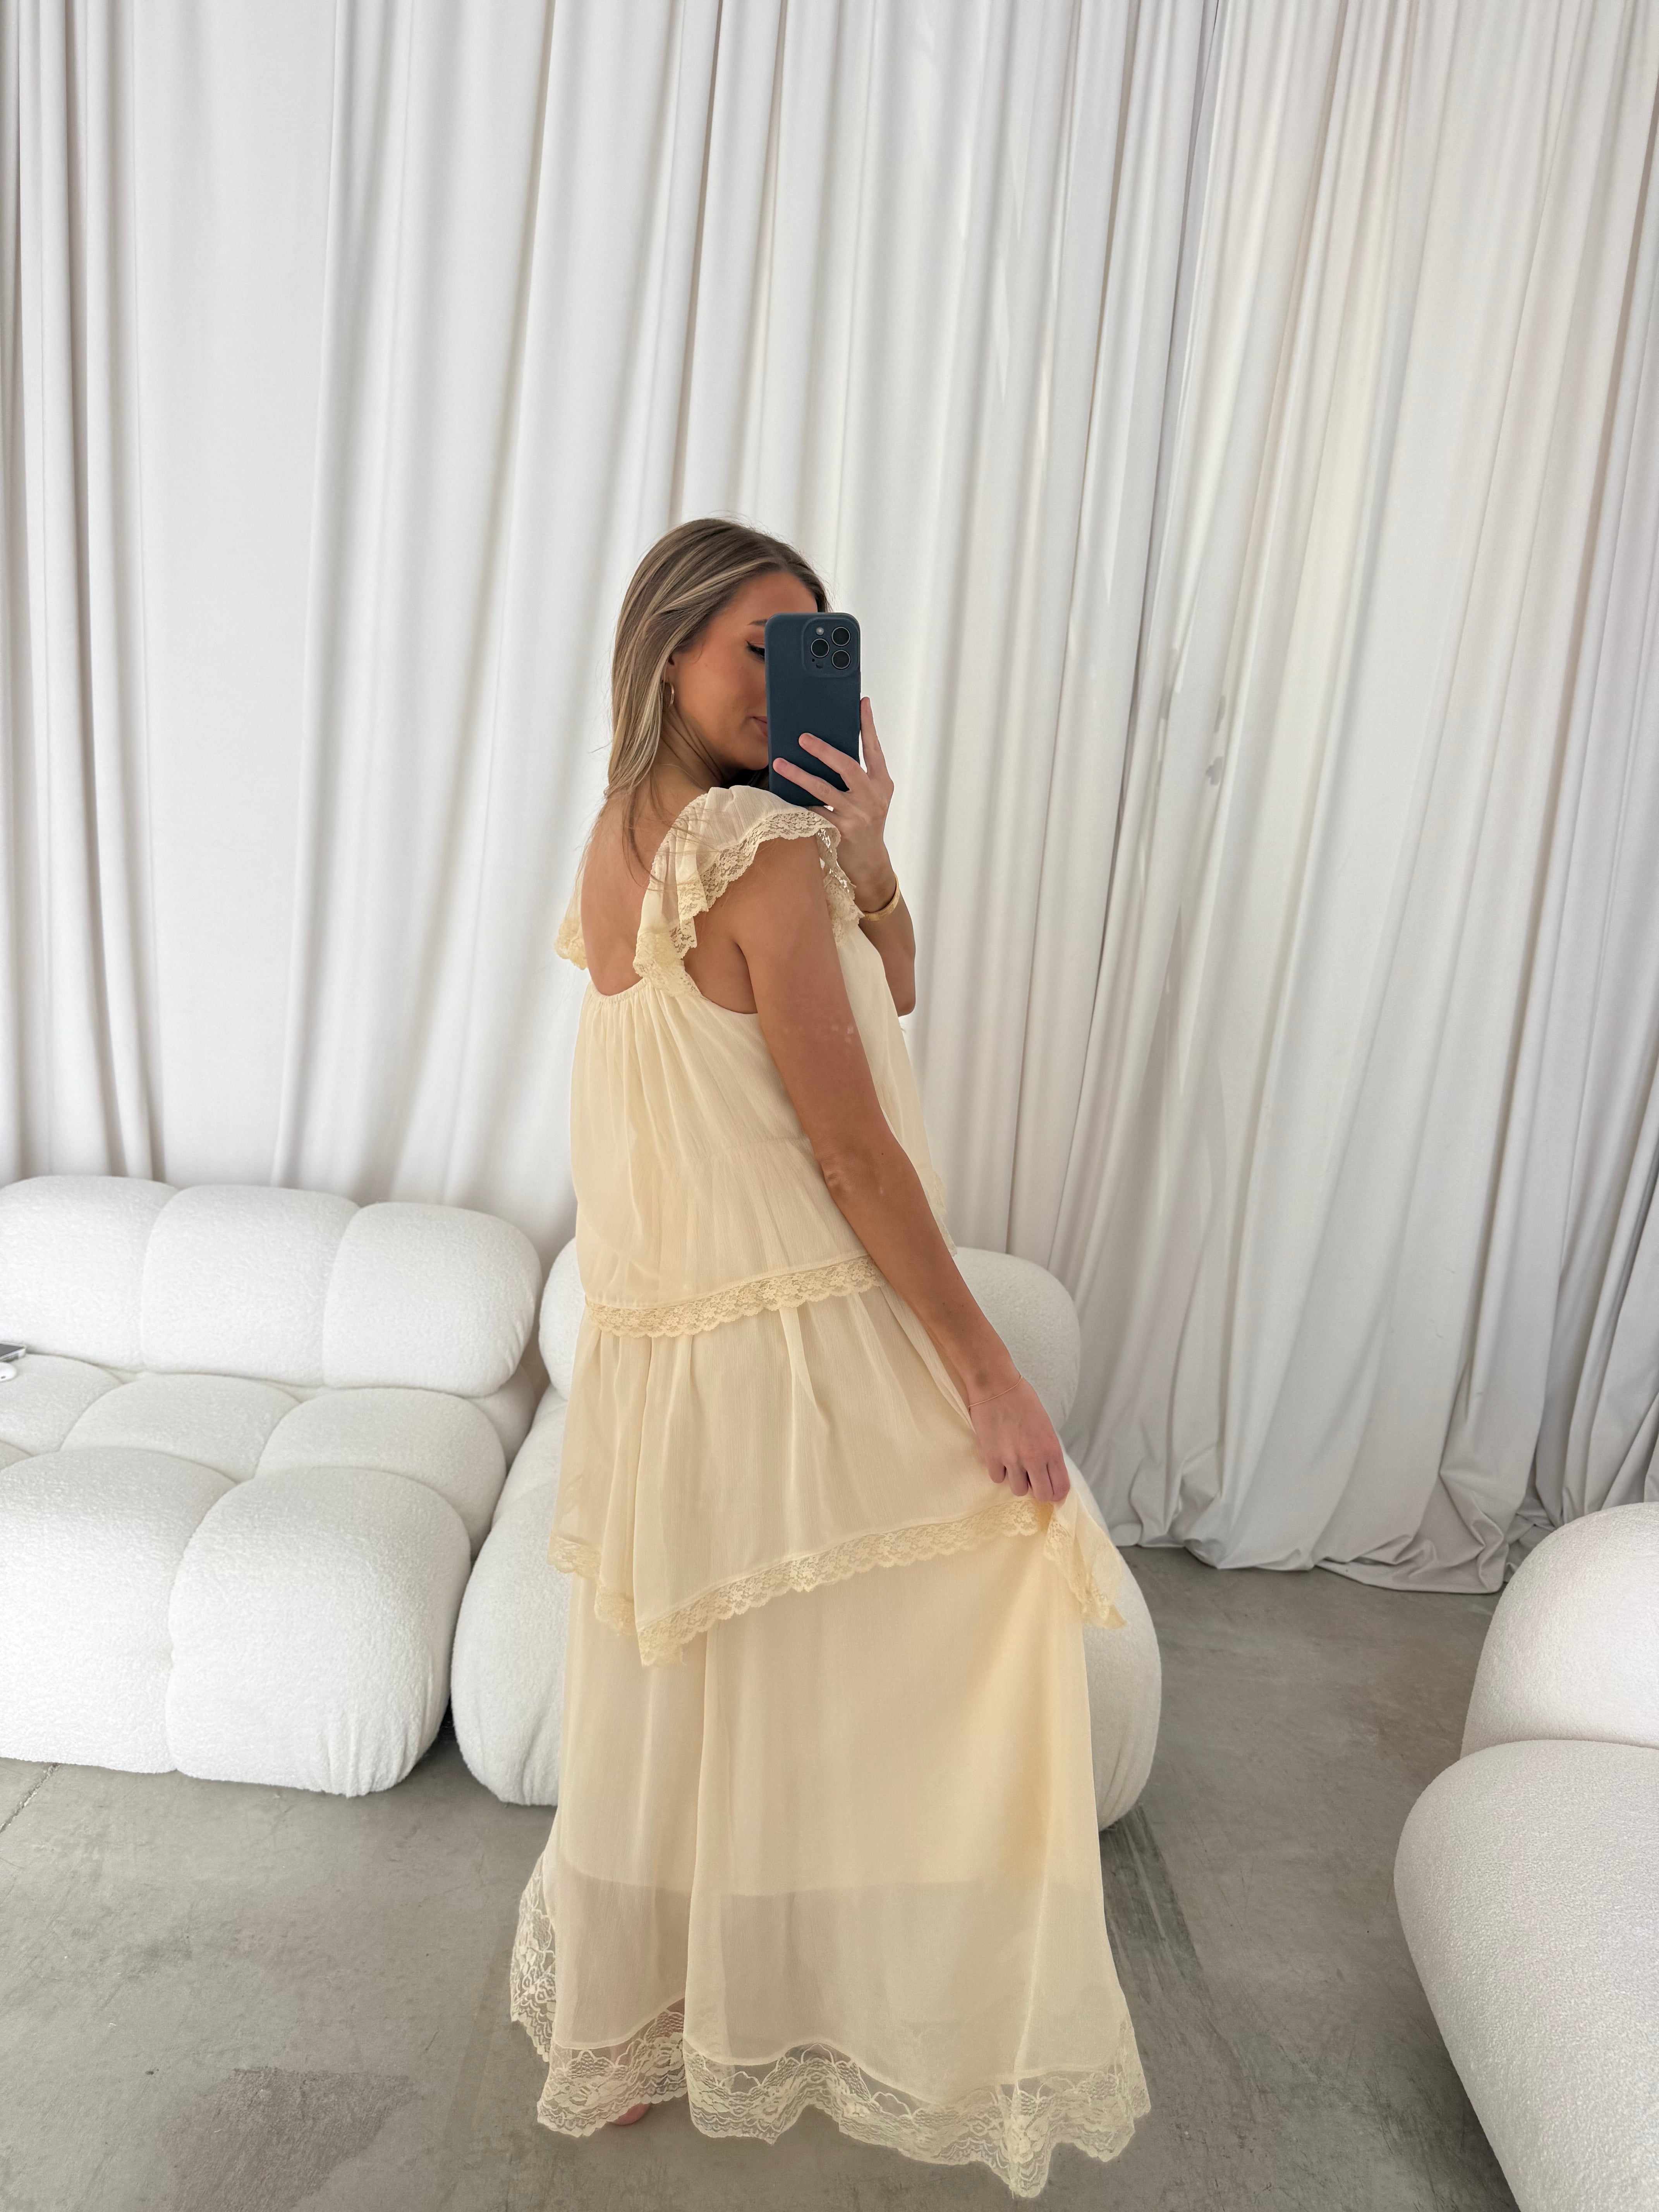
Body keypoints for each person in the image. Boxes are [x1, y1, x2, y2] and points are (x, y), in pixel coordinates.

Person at [508, 516, 1149, 2197]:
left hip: (671, 1336)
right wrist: (987, 1371)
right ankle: (892, 1997)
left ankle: (646, 2022)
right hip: (790, 1314)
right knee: (1000, 1559)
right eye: (756, 647)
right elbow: (854, 1152)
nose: (785, 680)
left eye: (811, 646)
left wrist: (869, 852)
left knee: (689, 1682)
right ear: (670, 655)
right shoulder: (750, 851)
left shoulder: (632, 832)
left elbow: (889, 986)